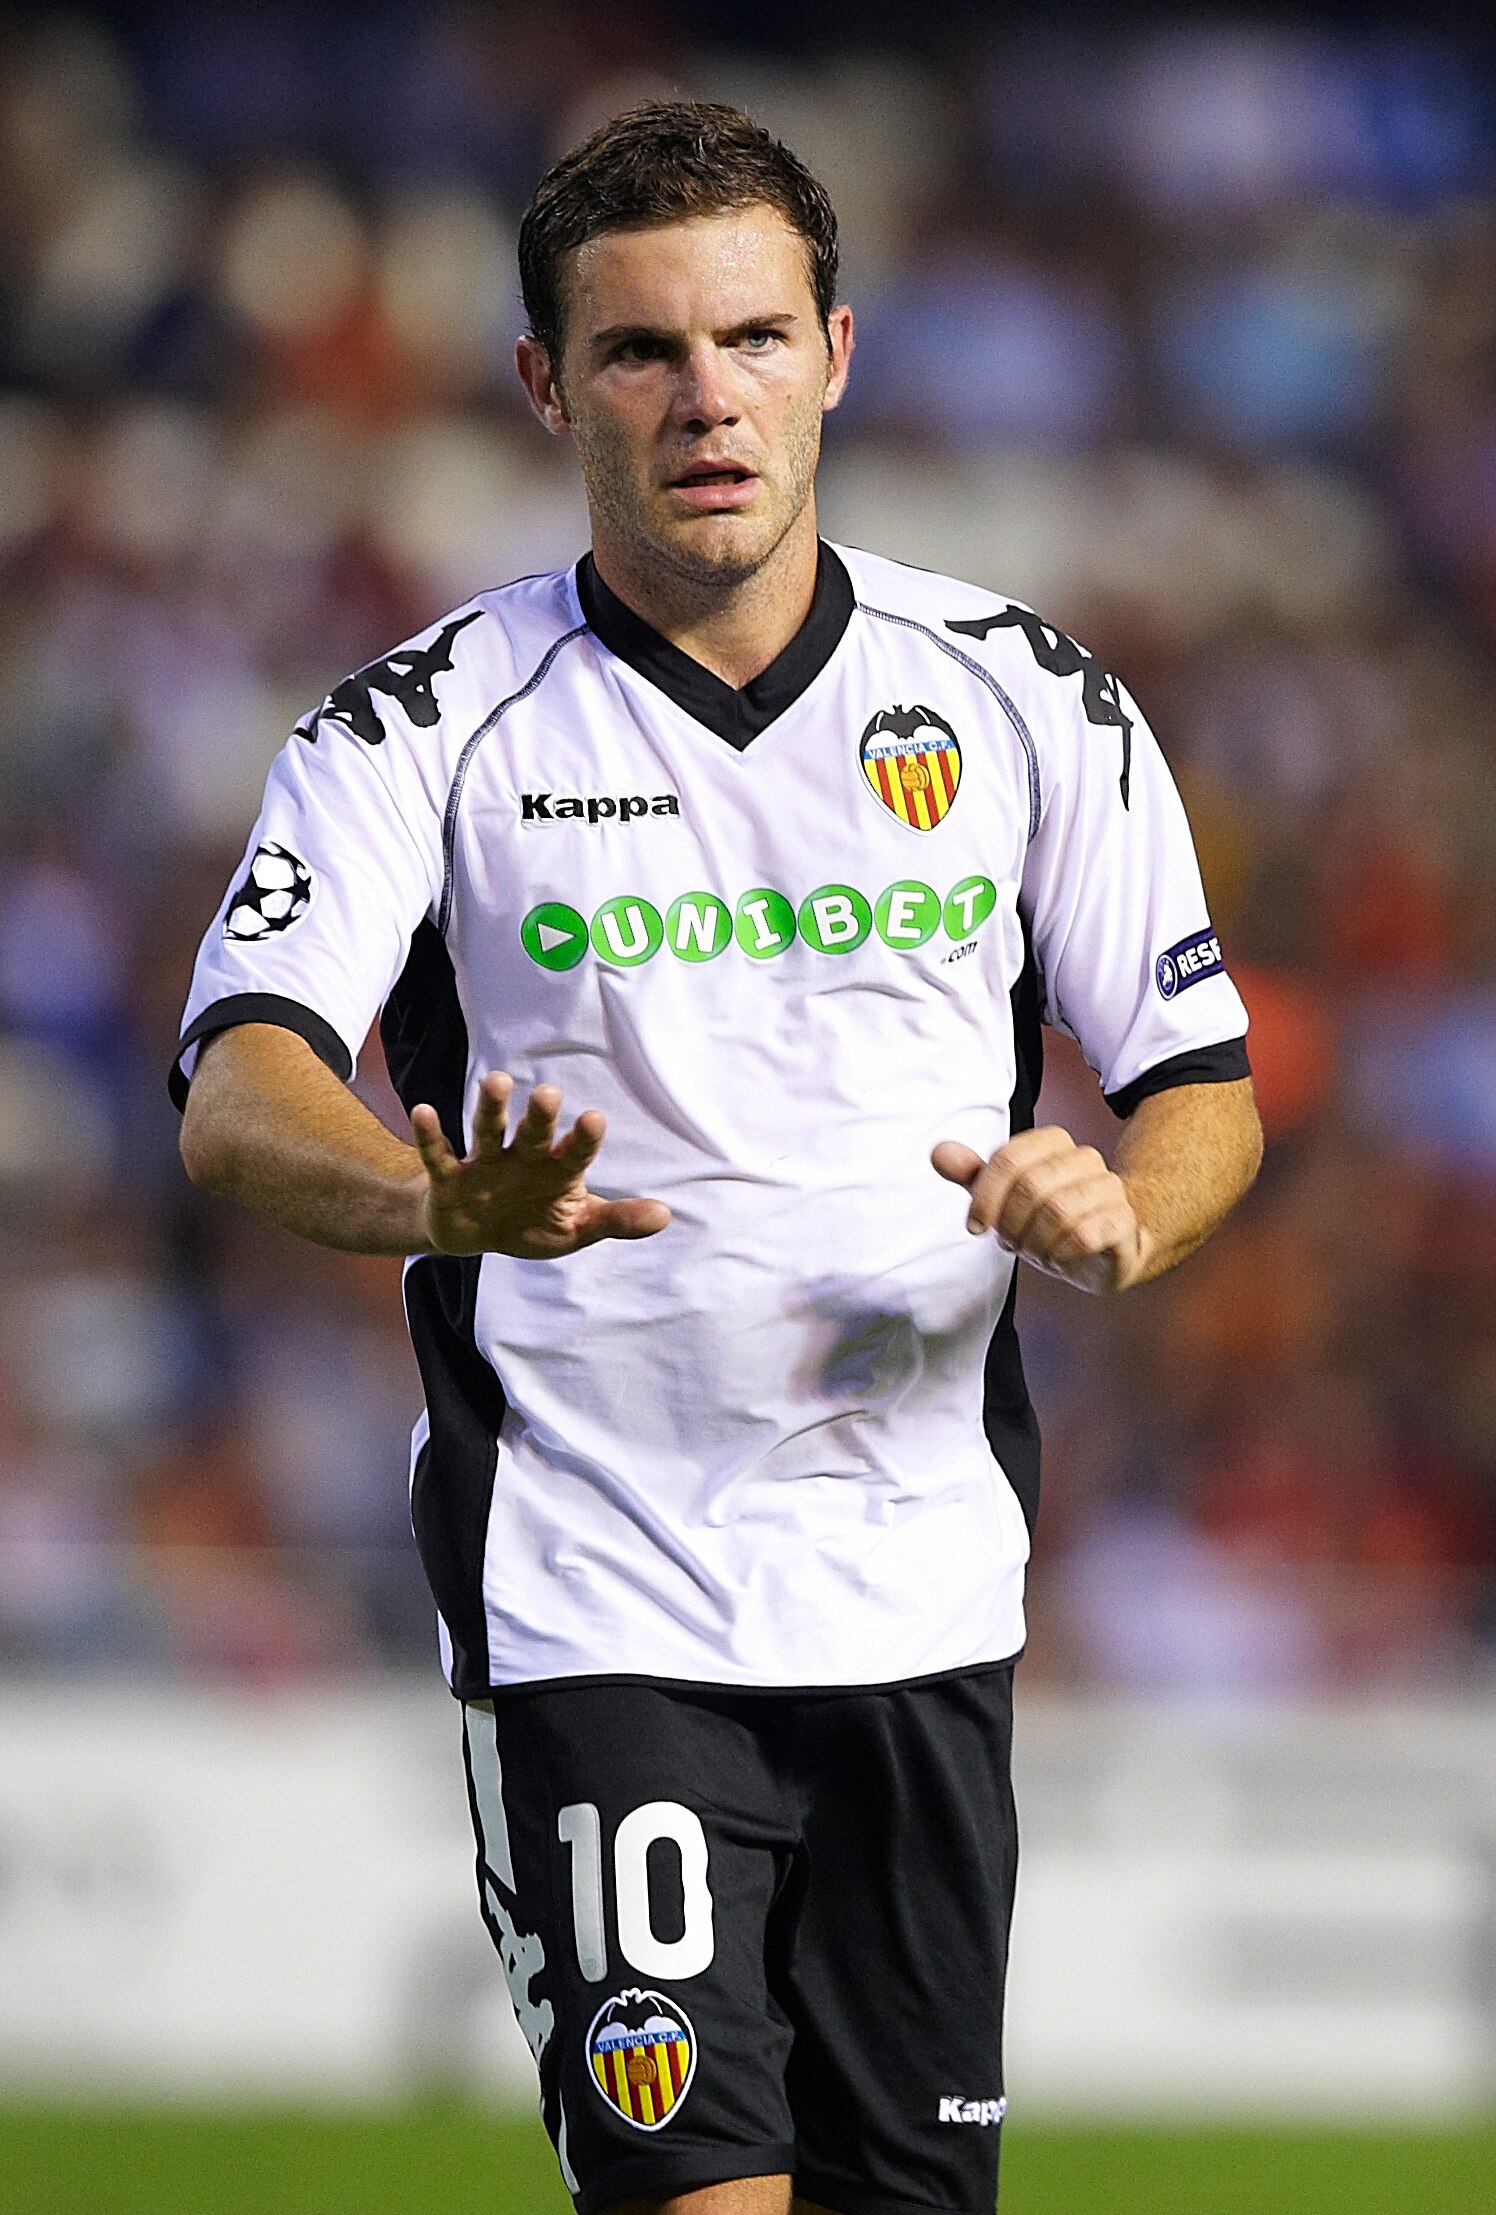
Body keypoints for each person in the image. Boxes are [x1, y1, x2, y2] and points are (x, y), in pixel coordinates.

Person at [173, 102, 1261, 2215]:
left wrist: (1120, 1209)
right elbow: (237, 1092)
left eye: (751, 339)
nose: (706, 400)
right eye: (644, 352)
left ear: (837, 354)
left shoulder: (1029, 701)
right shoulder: (424, 727)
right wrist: (424, 1197)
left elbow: (1197, 1081)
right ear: (542, 385)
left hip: (922, 1589)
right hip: (599, 1587)